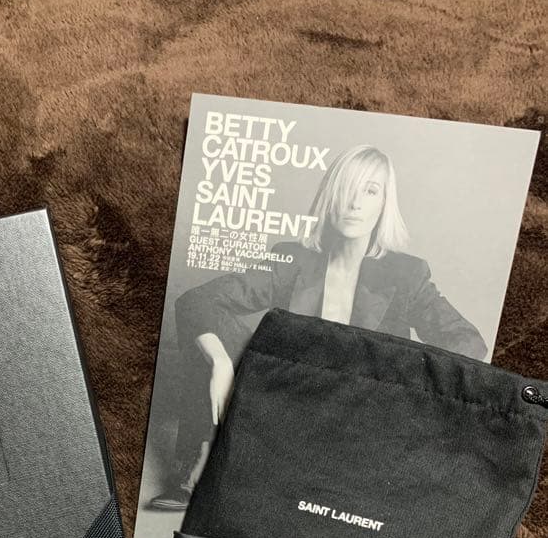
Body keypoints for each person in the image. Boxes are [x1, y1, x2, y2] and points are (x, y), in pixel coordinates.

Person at [150, 144, 487, 510]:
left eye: (370, 191)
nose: (354, 203)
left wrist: (399, 386)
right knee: (212, 338)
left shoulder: (406, 274)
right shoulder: (293, 259)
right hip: (288, 402)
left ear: (384, 204)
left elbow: (467, 342)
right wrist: (220, 362)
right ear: (330, 194)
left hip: (361, 419)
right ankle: (201, 461)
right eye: (347, 188)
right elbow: (197, 301)